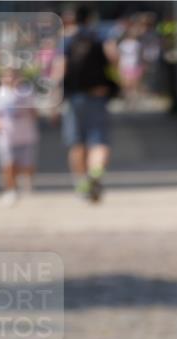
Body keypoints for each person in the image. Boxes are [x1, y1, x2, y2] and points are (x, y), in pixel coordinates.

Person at [56, 5, 118, 202]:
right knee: (99, 141)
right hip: (99, 95)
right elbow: (114, 60)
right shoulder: (100, 36)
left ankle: (82, 182)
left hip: (75, 97)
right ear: (91, 19)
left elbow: (60, 70)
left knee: (77, 143)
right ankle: (96, 173)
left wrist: (54, 98)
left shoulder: (66, 40)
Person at [0, 67, 39, 205]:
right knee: (8, 165)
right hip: (5, 138)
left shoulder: (26, 92)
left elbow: (34, 112)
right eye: (7, 76)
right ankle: (10, 190)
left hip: (26, 136)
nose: (11, 79)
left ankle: (25, 181)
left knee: (27, 167)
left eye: (13, 76)